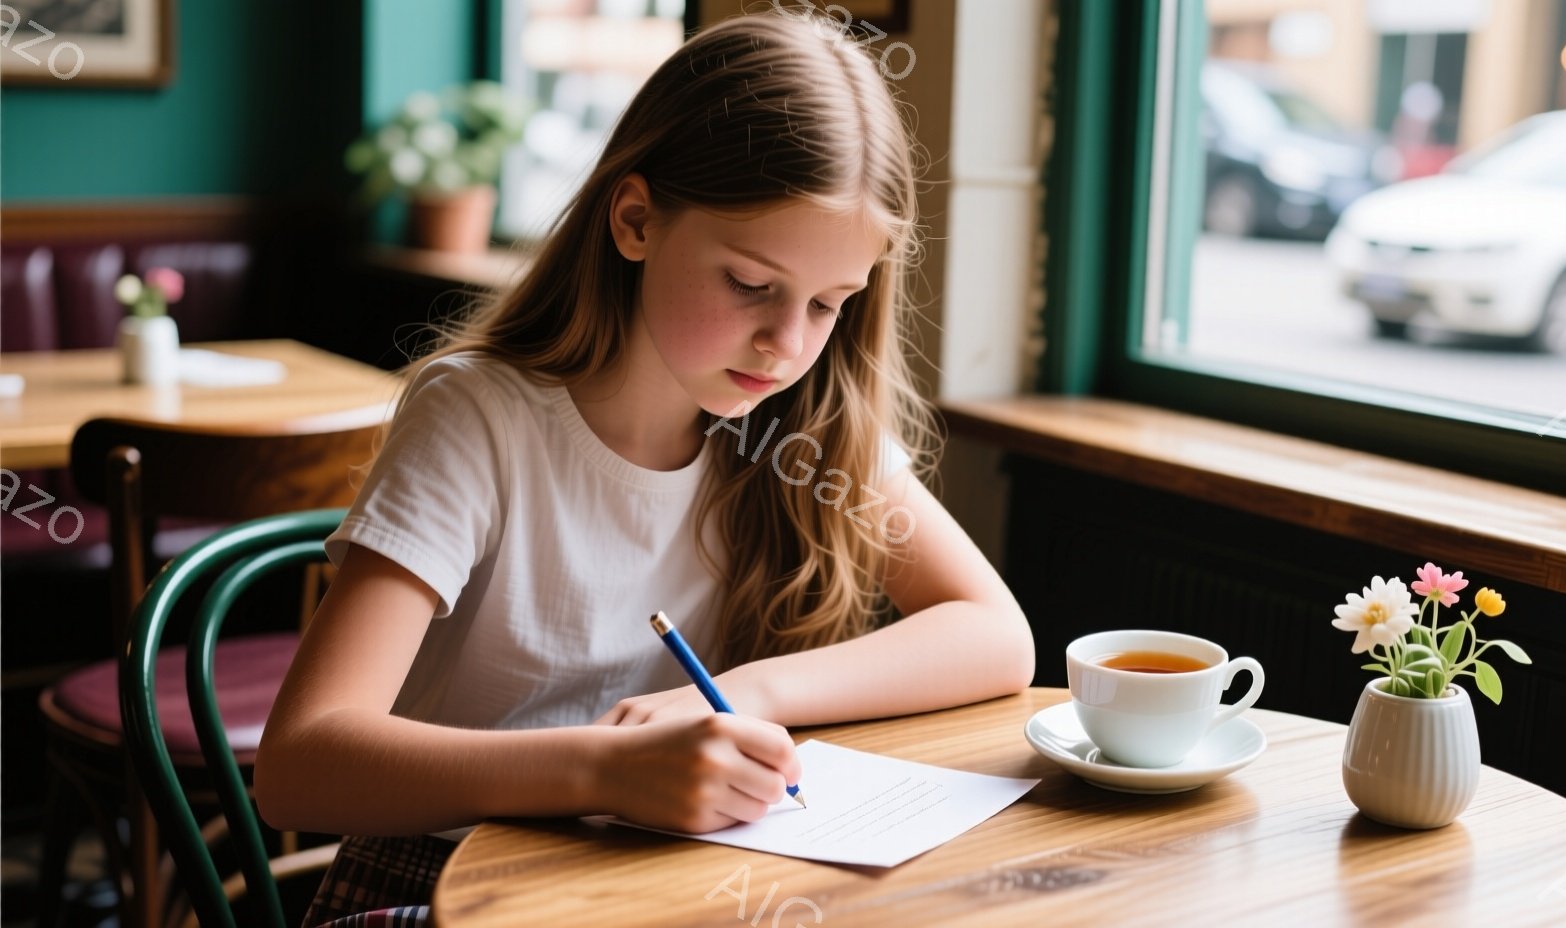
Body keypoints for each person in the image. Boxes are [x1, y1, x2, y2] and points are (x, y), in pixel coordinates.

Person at [254, 9, 1034, 926]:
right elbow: (301, 768)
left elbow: (995, 634)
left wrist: (750, 694)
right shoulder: (481, 417)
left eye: (830, 304)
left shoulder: (804, 429)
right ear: (635, 220)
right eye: (751, 284)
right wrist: (602, 766)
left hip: (668, 880)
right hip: (447, 877)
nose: (787, 345)